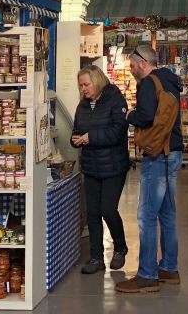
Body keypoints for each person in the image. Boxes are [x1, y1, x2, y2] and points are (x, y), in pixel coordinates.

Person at [116, 44, 183, 294]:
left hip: (156, 155)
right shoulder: (170, 81)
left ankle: (147, 275)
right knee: (167, 213)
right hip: (173, 151)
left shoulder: (148, 83)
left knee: (146, 215)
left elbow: (145, 117)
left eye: (133, 65)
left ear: (143, 63)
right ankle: (169, 268)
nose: (131, 69)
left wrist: (128, 116)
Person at [71, 64, 130, 275]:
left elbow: (118, 131)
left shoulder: (115, 99)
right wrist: (75, 139)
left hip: (114, 166)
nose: (83, 89)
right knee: (92, 212)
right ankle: (96, 258)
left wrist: (91, 137)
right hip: (91, 165)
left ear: (96, 81)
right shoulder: (83, 106)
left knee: (108, 209)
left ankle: (120, 247)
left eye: (86, 85)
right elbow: (77, 129)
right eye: (81, 86)